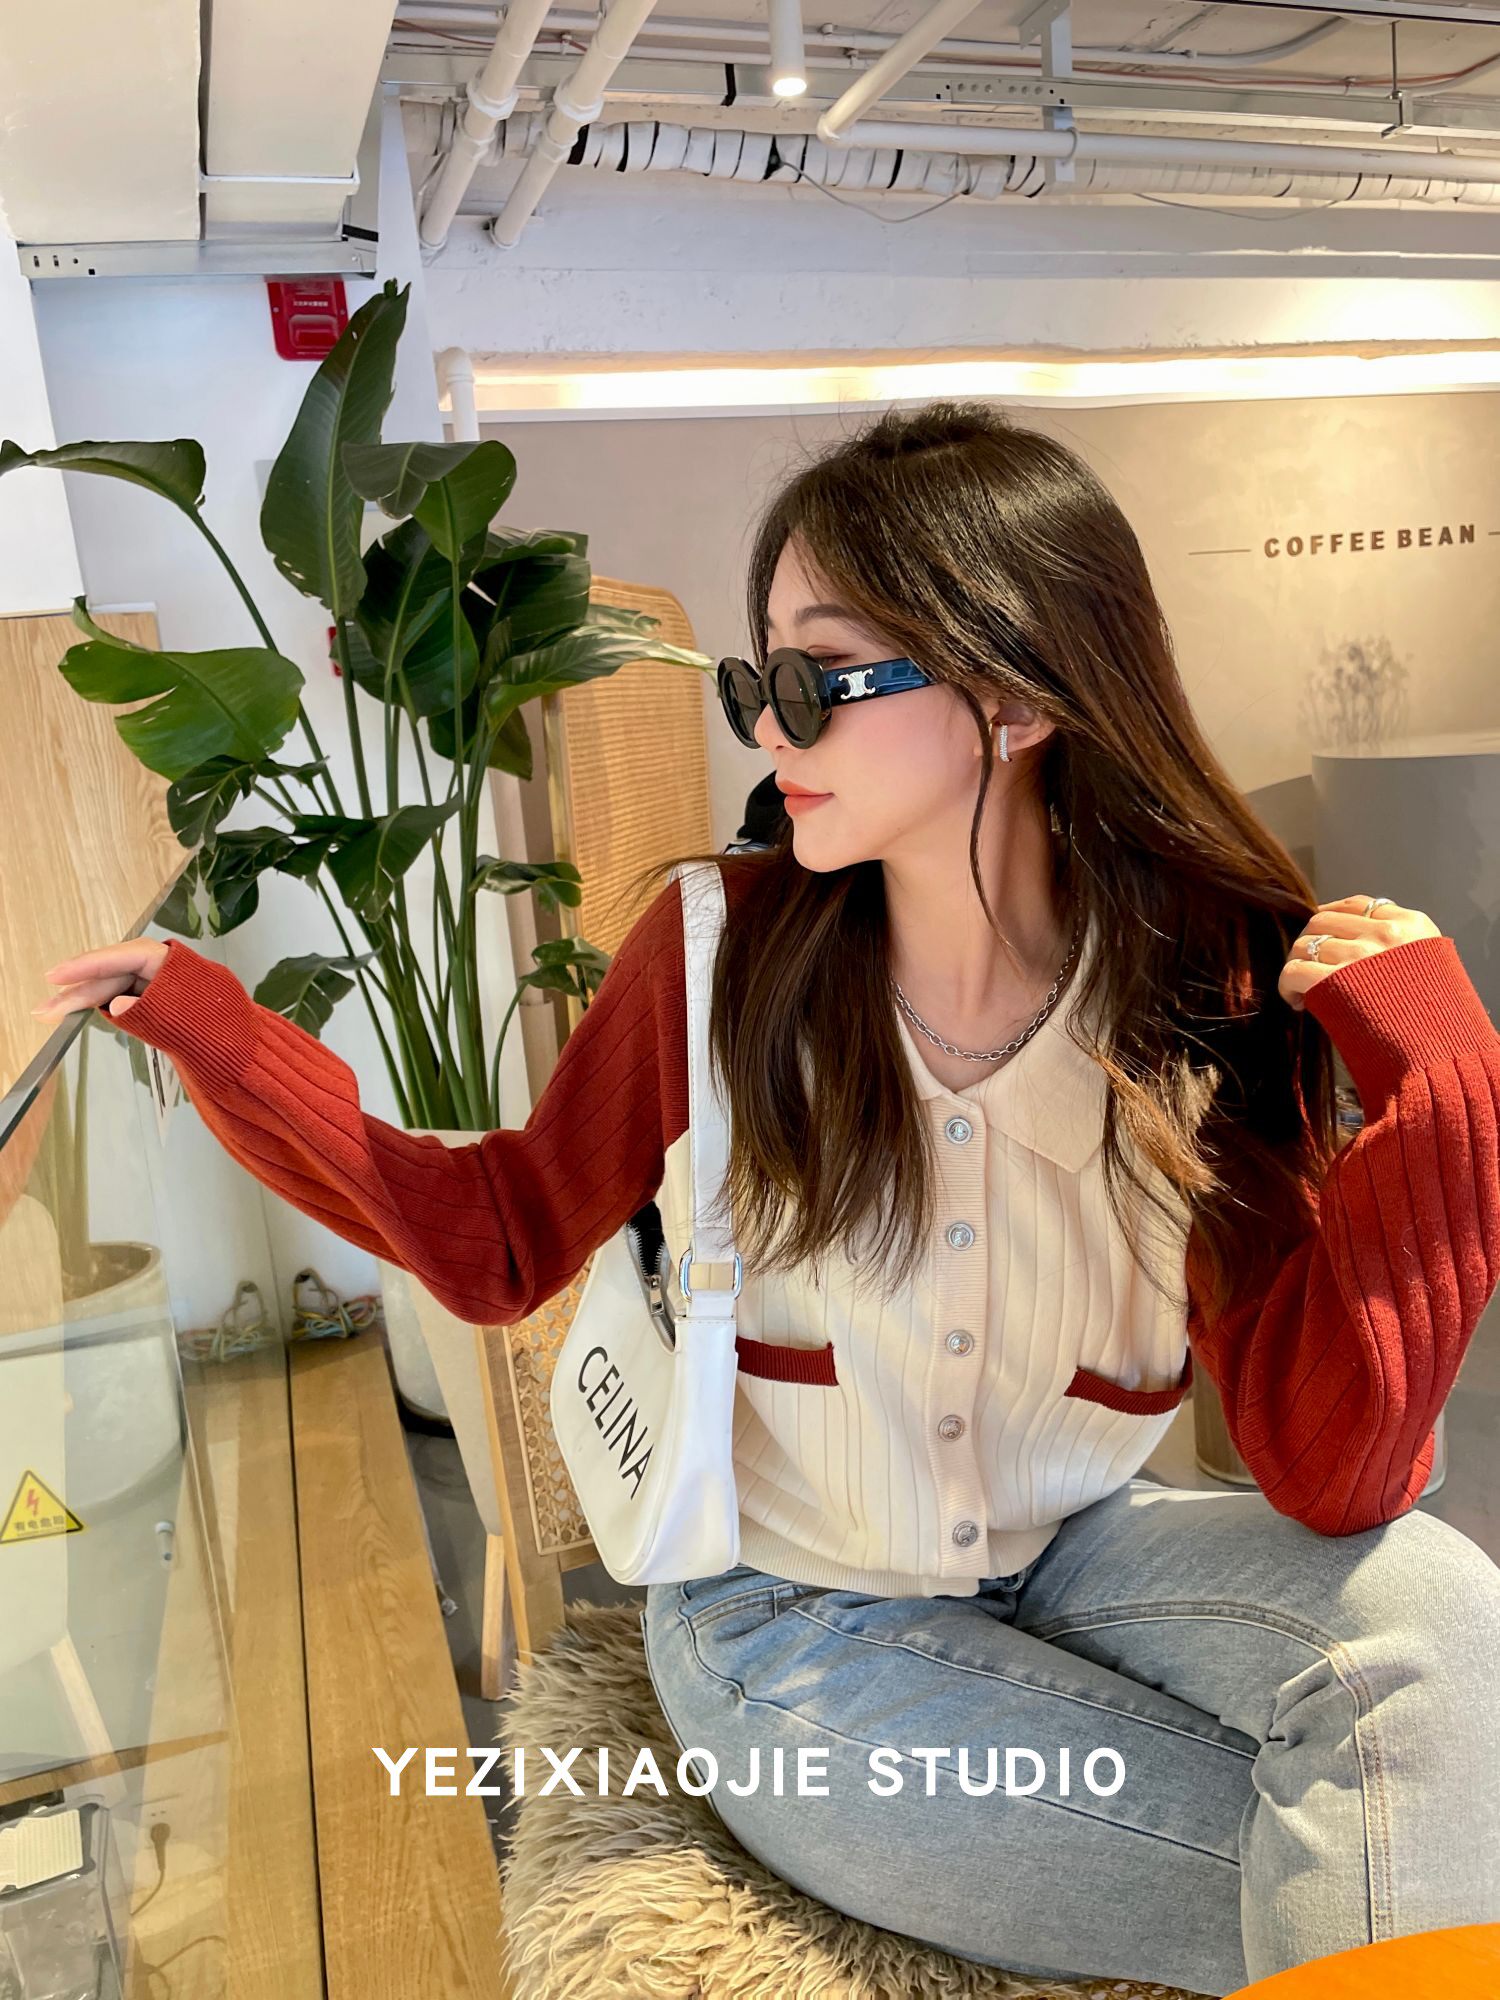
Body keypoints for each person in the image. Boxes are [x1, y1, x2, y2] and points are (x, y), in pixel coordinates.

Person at [32, 402, 1500, 1996]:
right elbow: (499, 1239)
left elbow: (1333, 1468)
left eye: (815, 682)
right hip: (793, 1635)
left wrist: (1446, 1089)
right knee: (1394, 1865)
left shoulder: (1195, 982)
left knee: (1439, 1611)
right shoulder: (719, 957)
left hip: (1084, 1560)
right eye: (756, 684)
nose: (768, 735)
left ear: (1014, 696)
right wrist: (220, 1034)